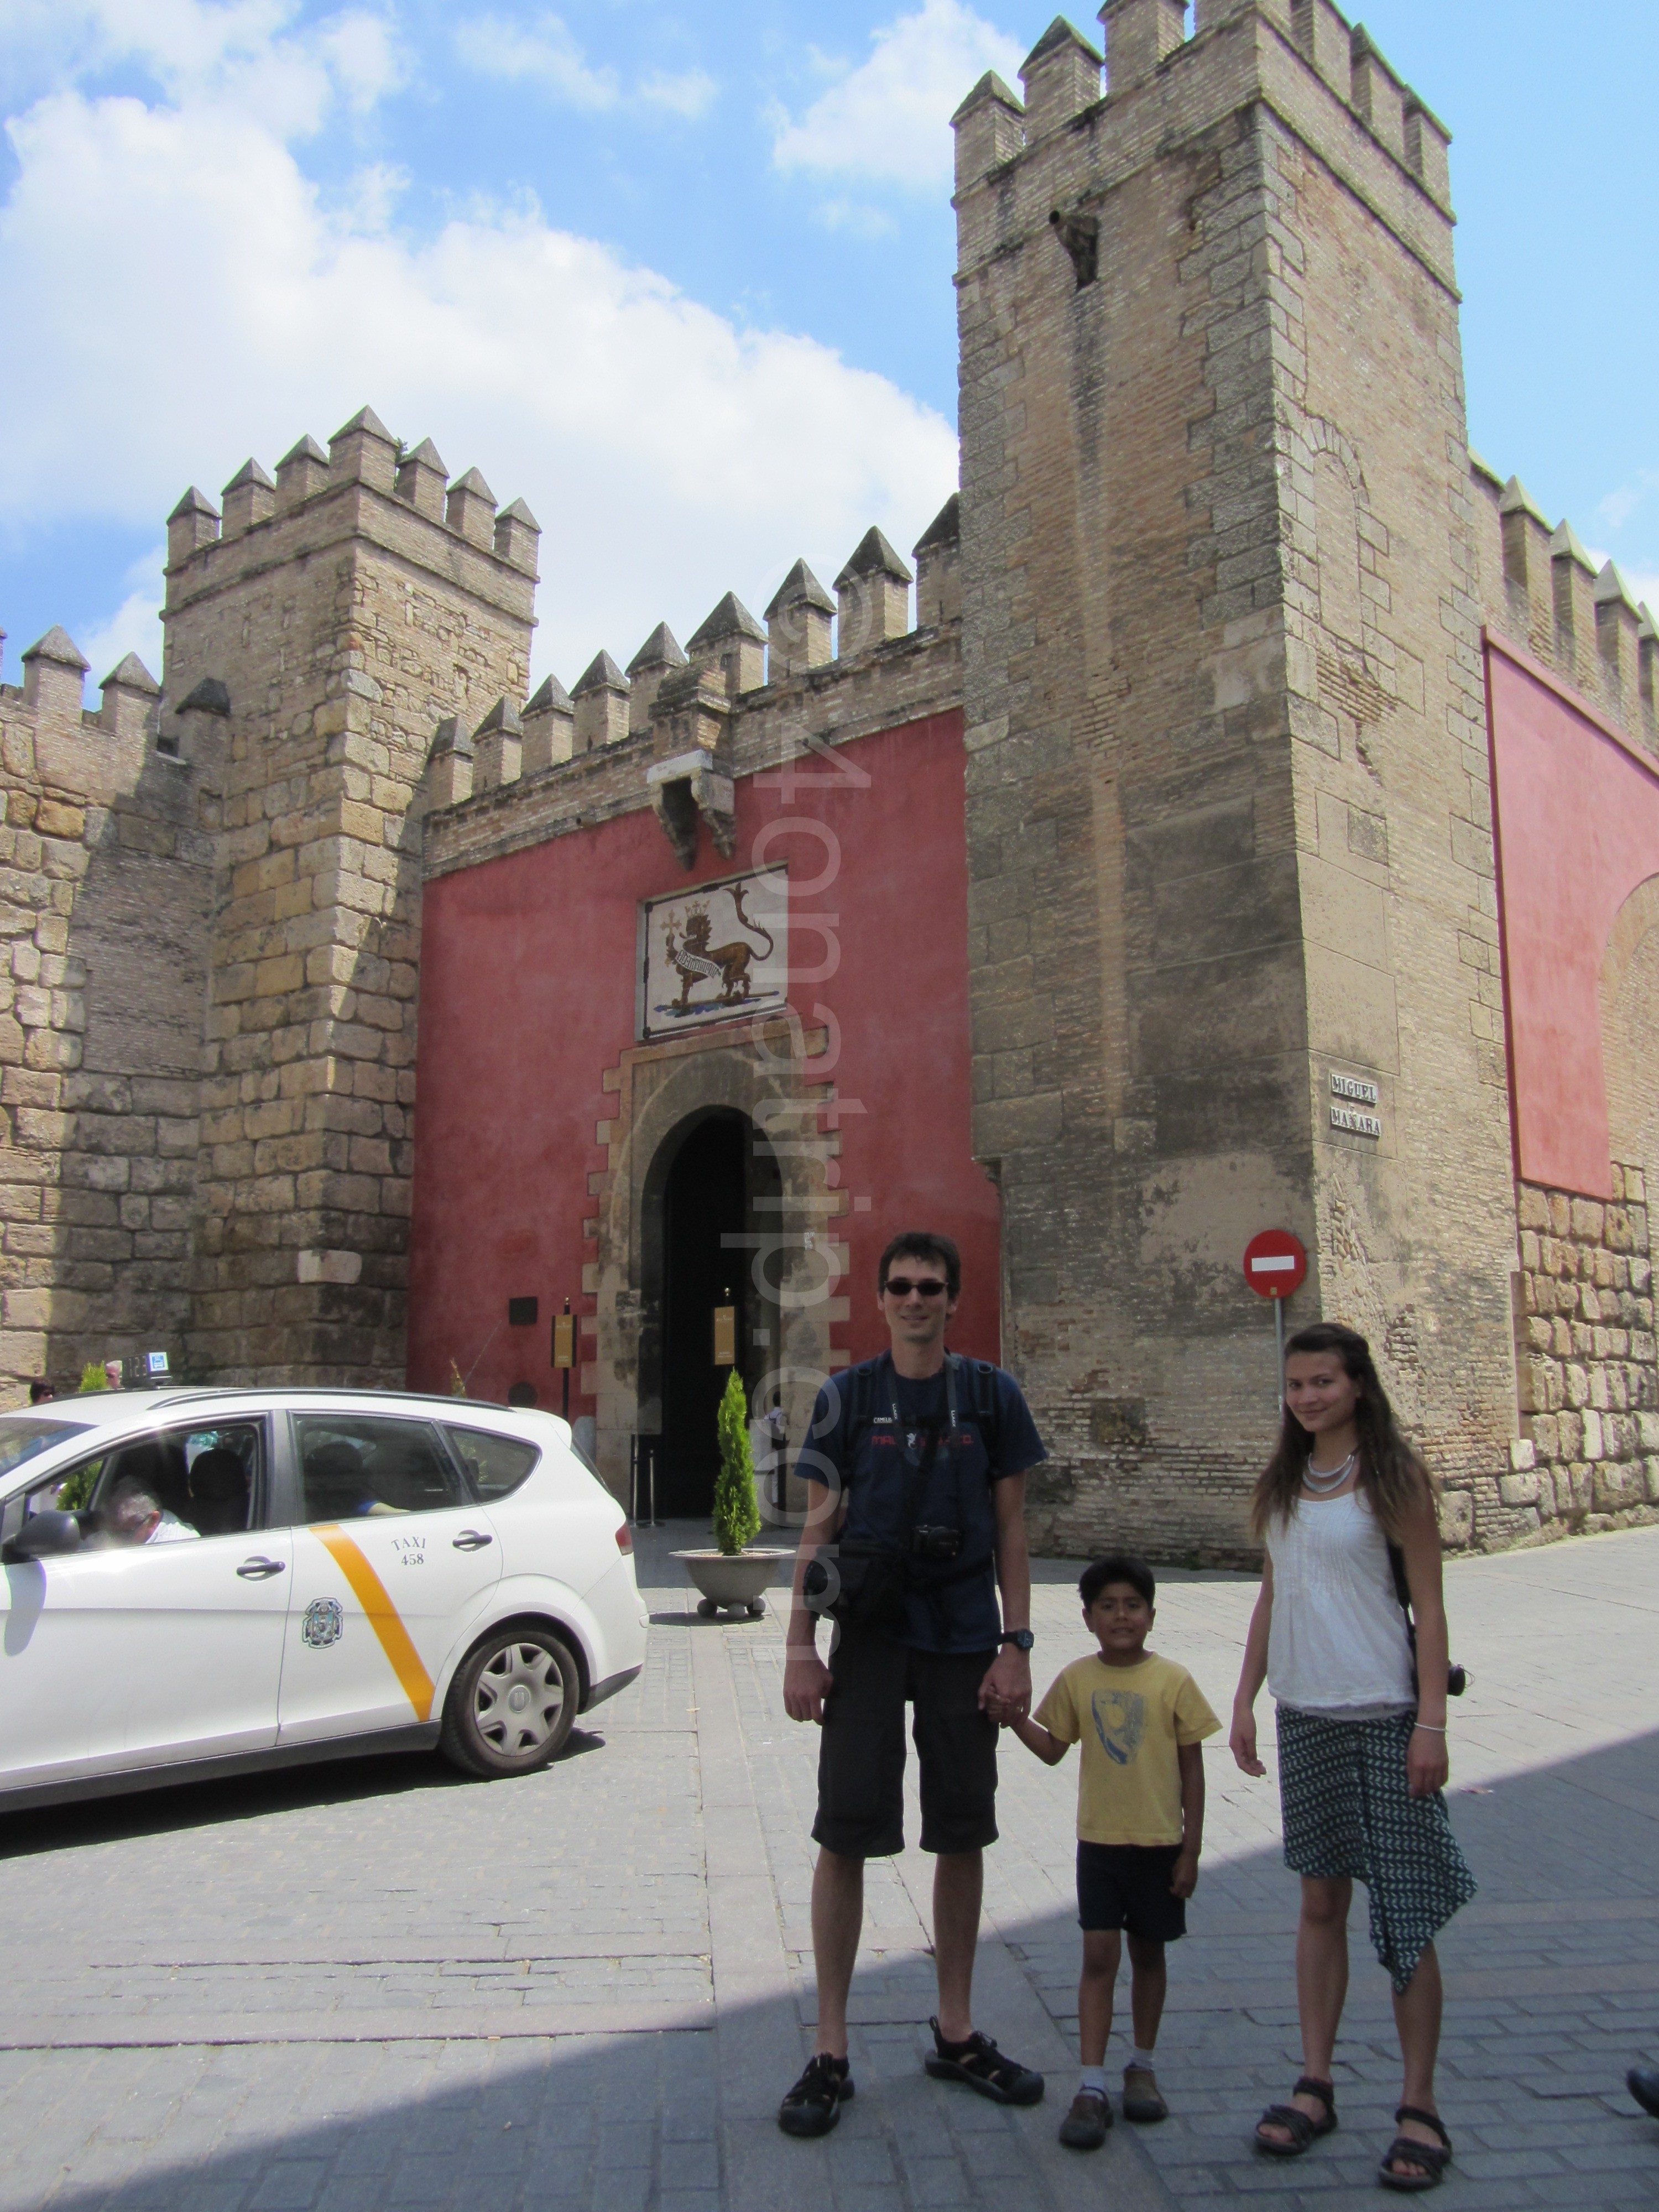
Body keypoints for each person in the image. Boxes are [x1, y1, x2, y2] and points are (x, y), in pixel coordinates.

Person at [777, 1230, 1048, 2137]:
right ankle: (830, 2046)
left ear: (953, 1297)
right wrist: (798, 1647)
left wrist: (1017, 1644)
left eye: (932, 1285)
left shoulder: (992, 1397)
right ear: (882, 1297)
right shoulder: (847, 1401)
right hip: (871, 1634)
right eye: (901, 1285)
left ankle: (958, 2027)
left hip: (965, 1633)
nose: (916, 1298)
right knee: (845, 1830)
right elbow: (819, 1532)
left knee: (962, 1828)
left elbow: (1012, 1530)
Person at [1230, 1322, 1474, 2193]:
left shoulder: (1394, 1479)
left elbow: (1433, 1612)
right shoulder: (1287, 1481)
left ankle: (1420, 2104)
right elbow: (1272, 1589)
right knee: (1321, 1901)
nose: (1307, 1398)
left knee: (1405, 1911)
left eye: (1322, 1383)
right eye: (1295, 1385)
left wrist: (1431, 1725)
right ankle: (1317, 2079)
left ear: (1359, 1386)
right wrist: (1246, 1697)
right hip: (1308, 1713)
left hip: (1383, 1712)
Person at [1008, 1553, 1218, 2148]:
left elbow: (1193, 1770)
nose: (1121, 1616)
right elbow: (1053, 1747)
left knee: (1148, 1955)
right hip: (1098, 1843)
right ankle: (1093, 2083)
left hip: (1158, 1844)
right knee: (1099, 1956)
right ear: (1087, 1617)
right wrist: (1011, 1719)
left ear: (1152, 1614)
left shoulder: (1172, 1680)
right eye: (1108, 1606)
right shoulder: (1077, 1678)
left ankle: (1142, 2065)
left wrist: (1192, 1850)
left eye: (1132, 1605)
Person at [105, 1483, 200, 1545]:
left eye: (126, 1534)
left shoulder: (178, 1549)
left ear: (153, 1520)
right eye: (112, 1532)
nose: (117, 1540)